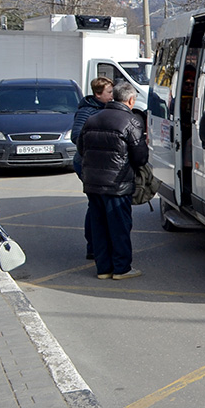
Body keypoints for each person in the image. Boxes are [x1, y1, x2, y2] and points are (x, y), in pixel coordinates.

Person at [78, 82, 148, 280]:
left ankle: (103, 269)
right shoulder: (131, 121)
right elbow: (140, 157)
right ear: (131, 100)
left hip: (93, 183)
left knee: (99, 226)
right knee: (119, 227)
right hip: (118, 184)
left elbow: (81, 148)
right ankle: (121, 268)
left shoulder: (92, 119)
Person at [72, 77, 113, 260]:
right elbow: (76, 136)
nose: (112, 96)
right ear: (98, 94)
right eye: (109, 92)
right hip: (87, 163)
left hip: (98, 163)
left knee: (98, 205)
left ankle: (99, 244)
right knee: (96, 204)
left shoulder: (106, 108)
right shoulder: (87, 111)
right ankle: (93, 245)